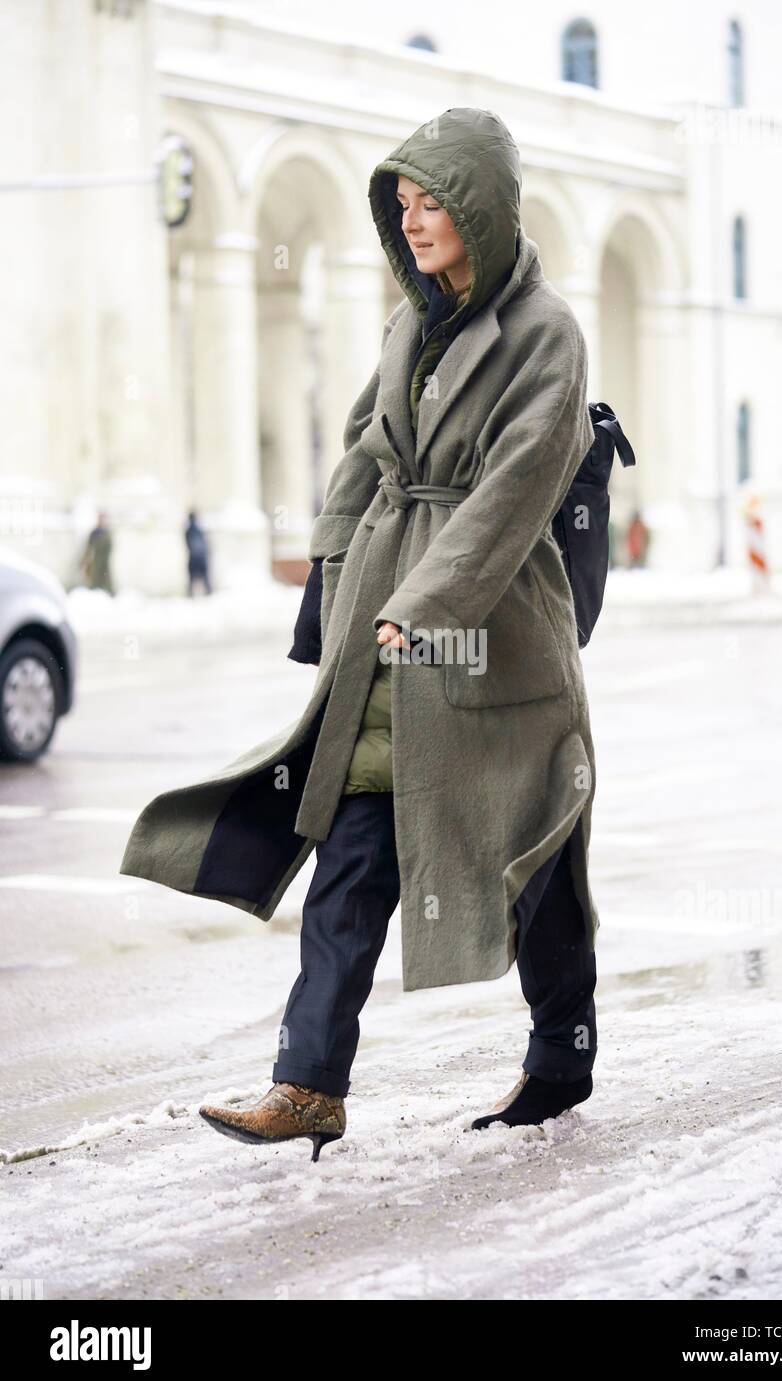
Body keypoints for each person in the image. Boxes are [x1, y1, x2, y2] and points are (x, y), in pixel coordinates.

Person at [119, 107, 601, 1160]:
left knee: (532, 861)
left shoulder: (548, 333)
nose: (417, 222)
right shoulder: (406, 322)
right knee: (350, 858)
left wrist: (425, 606)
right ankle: (308, 1084)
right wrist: (328, 575)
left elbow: (516, 491)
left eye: (435, 204)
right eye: (406, 206)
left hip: (492, 641)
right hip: (383, 636)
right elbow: (361, 451)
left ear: (482, 208)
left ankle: (563, 1049)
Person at [79, 510, 114, 594]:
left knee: (106, 582)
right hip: (95, 562)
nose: (102, 520)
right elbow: (88, 548)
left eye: (103, 518)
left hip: (105, 563)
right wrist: (84, 561)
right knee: (94, 582)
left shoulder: (107, 533)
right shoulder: (95, 533)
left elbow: (110, 548)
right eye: (100, 518)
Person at [184, 509, 212, 596]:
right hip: (198, 558)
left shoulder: (191, 530)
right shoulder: (195, 531)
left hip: (196, 558)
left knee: (194, 582)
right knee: (201, 581)